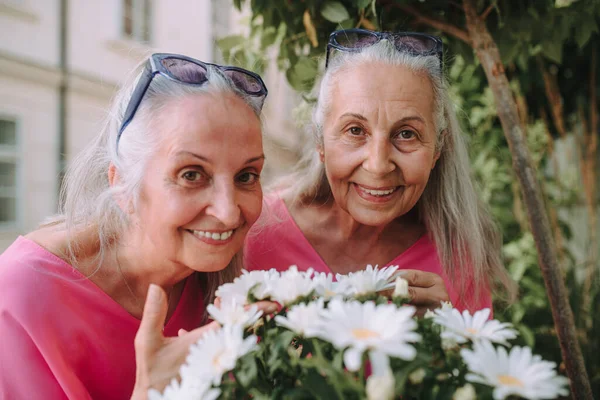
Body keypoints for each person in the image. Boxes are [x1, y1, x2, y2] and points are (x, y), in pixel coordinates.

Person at [0, 53, 277, 399]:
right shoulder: (22, 293)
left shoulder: (231, 279)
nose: (228, 212)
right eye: (191, 175)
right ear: (122, 186)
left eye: (246, 175)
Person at [245, 29, 515, 314]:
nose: (378, 165)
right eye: (355, 130)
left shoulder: (458, 262)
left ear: (437, 149)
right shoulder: (255, 231)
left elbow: (476, 353)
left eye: (407, 134)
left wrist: (447, 334)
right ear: (320, 141)